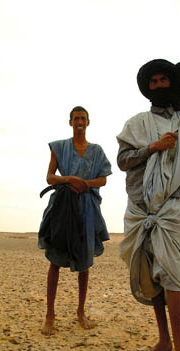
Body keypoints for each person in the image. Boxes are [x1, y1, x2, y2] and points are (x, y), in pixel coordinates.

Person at [117, 59, 180, 351]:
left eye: (162, 80)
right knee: (152, 279)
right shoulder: (136, 123)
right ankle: (164, 341)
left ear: (172, 83)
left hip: (171, 210)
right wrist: (152, 148)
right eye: (152, 81)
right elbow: (123, 161)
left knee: (174, 281)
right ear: (147, 88)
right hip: (139, 211)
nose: (157, 85)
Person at [38, 106, 111, 335]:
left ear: (88, 123)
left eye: (83, 118)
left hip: (87, 209)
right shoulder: (59, 147)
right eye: (76, 118)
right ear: (70, 122)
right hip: (62, 207)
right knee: (55, 260)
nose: (79, 121)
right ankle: (50, 315)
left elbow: (103, 180)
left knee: (85, 262)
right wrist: (69, 179)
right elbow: (50, 176)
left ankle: (80, 312)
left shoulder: (97, 151)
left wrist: (85, 184)